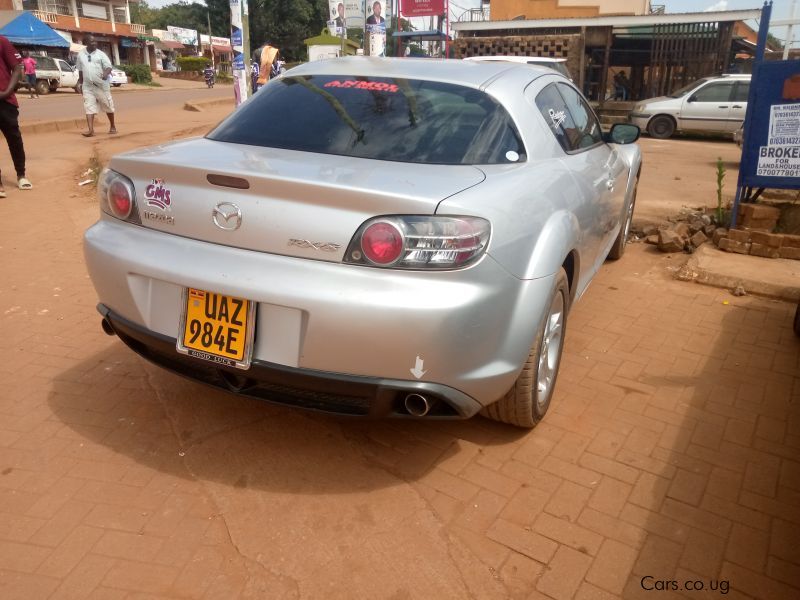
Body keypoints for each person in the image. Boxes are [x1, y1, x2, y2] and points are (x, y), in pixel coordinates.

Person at [0, 35, 32, 196]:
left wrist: (7, 91)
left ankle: (21, 175)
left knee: (14, 139)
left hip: (5, 101)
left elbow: (17, 67)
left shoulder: (2, 41)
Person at [76, 35, 116, 137]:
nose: (95, 43)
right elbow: (80, 70)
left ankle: (112, 126)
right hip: (87, 86)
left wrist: (106, 73)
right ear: (86, 43)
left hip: (101, 86)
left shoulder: (101, 54)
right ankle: (91, 130)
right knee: (89, 106)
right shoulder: (81, 55)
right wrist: (80, 83)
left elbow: (108, 67)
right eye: (92, 42)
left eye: (95, 42)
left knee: (107, 106)